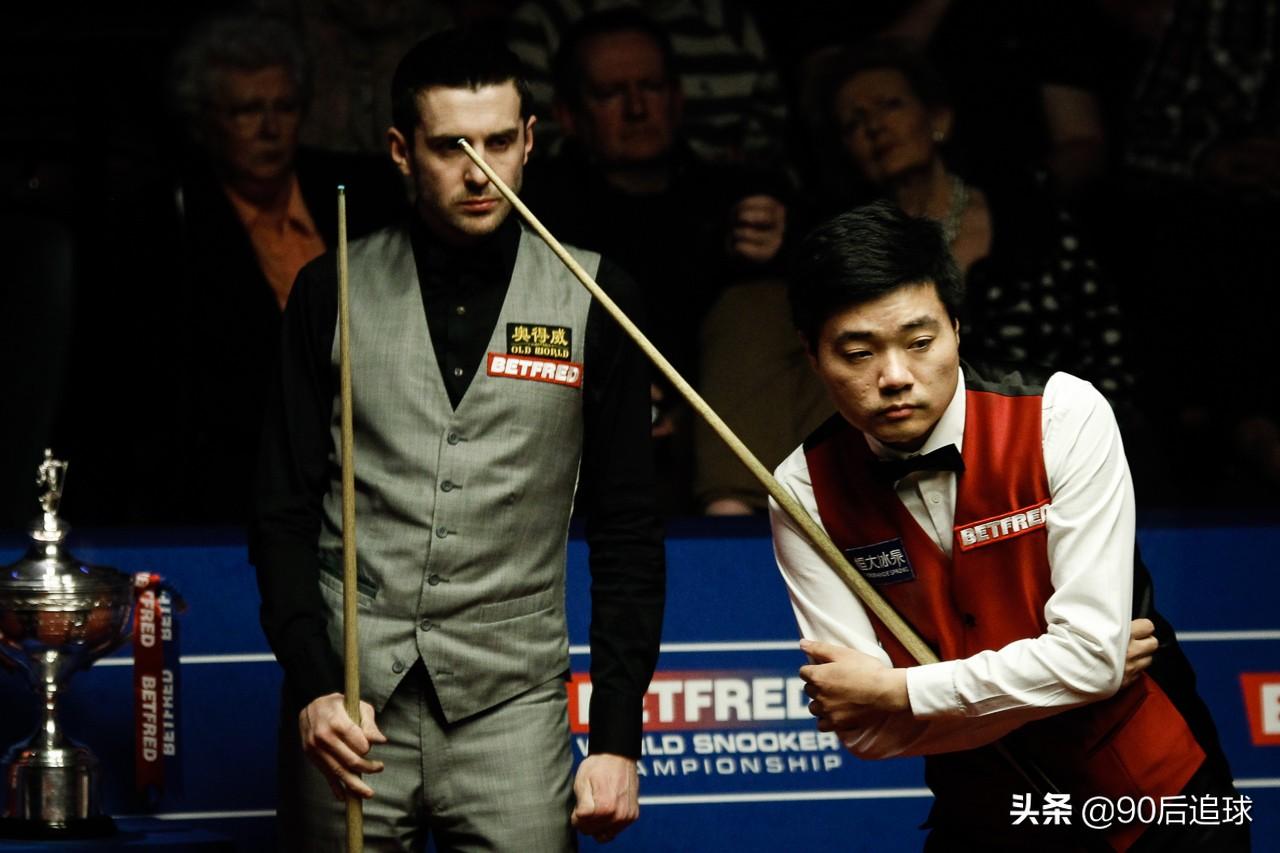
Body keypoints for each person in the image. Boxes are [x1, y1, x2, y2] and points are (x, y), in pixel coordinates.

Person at [250, 28, 665, 851]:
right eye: (451, 147)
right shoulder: (328, 290)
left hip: (512, 708)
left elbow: (627, 529)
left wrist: (617, 734)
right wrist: (316, 683)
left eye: (499, 142)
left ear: (530, 140)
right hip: (353, 706)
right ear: (402, 151)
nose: (480, 172)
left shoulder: (594, 296)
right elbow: (280, 510)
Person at [769, 201, 1246, 850]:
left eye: (919, 342)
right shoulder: (800, 490)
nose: (894, 377)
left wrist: (901, 689)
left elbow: (1086, 659)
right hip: (986, 816)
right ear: (812, 355)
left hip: (1157, 798)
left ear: (956, 327)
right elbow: (869, 730)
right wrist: (1070, 675)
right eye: (857, 352)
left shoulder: (1063, 415)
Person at [101, 12, 404, 523]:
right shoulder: (167, 222)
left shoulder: (358, 192)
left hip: (376, 454)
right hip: (237, 478)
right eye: (246, 111)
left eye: (284, 107)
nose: (269, 129)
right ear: (204, 120)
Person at [524, 7, 790, 513]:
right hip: (571, 450)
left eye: (650, 87)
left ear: (678, 97)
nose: (636, 109)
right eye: (610, 93)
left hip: (720, 444)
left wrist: (786, 243)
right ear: (568, 115)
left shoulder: (738, 201)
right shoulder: (534, 211)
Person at [816, 40, 1133, 401]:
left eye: (890, 105)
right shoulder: (857, 260)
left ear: (939, 120)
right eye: (854, 122)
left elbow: (1107, 343)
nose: (874, 126)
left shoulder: (1028, 213)